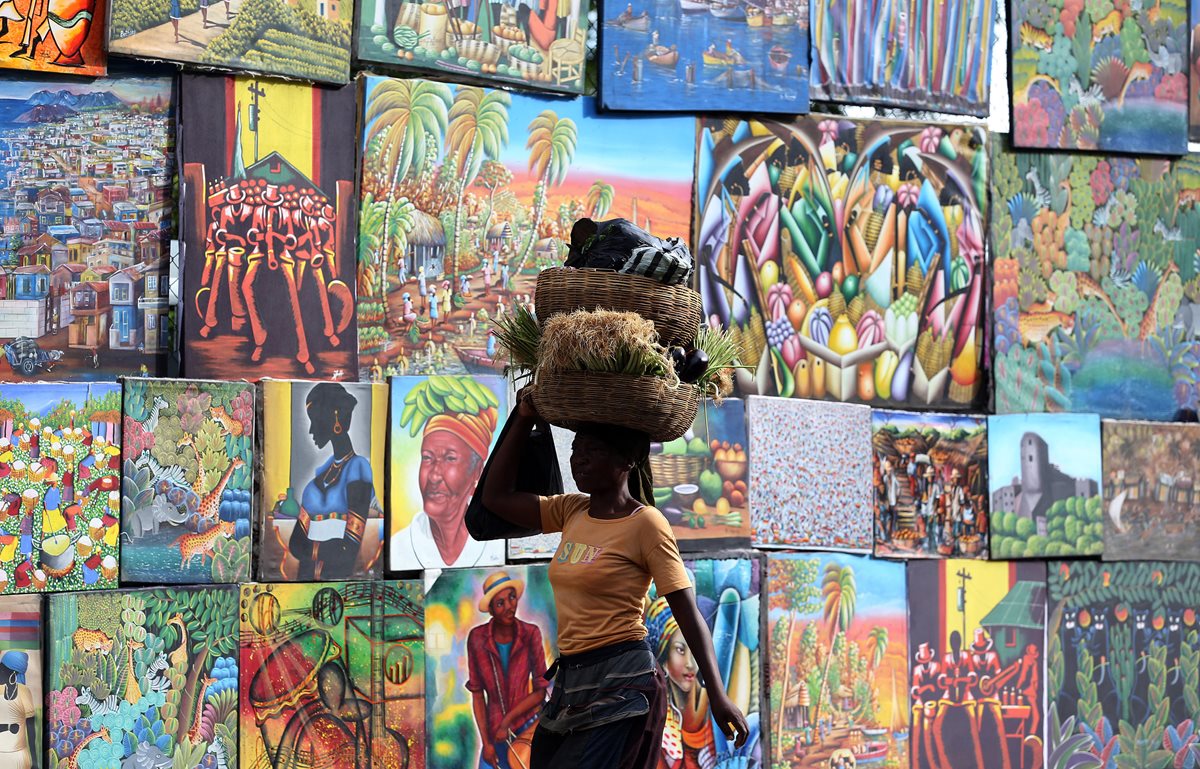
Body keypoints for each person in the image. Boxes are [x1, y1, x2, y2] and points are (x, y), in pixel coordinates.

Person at [481, 393, 748, 769]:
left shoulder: (647, 524)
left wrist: (716, 694)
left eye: (594, 449)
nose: (580, 458)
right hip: (572, 681)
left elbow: (688, 615)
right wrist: (523, 416)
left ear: (628, 460)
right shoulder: (571, 510)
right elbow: (495, 498)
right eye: (576, 448)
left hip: (623, 681)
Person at [390, 398, 500, 569]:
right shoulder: (399, 549)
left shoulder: (496, 544)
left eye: (450, 458)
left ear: (477, 471)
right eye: (427, 457)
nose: (434, 476)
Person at [288, 383, 377, 580]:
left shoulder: (358, 468)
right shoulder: (315, 481)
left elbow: (347, 551)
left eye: (315, 419)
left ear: (334, 416)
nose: (311, 430)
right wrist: (328, 547)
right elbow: (295, 544)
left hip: (338, 582)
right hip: (303, 580)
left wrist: (310, 548)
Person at [467, 572, 550, 769]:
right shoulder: (477, 639)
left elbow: (540, 691)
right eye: (500, 603)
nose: (509, 607)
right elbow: (478, 695)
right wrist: (487, 743)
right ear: (491, 610)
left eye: (512, 597)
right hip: (495, 735)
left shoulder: (530, 634)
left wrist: (507, 722)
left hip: (528, 727)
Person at [646, 597, 715, 769]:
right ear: (663, 658)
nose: (691, 663)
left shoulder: (709, 704)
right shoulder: (653, 709)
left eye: (695, 648)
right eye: (680, 650)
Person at [0, 651, 36, 769]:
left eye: (3, 669)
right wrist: (8, 727)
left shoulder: (24, 692)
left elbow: (31, 729)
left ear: (13, 674)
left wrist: (35, 762)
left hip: (19, 756)